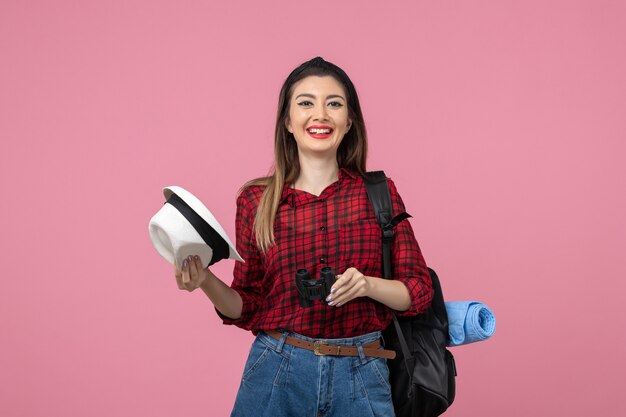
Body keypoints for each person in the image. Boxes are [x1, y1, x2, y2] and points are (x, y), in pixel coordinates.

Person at [174, 57, 433, 416]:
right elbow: (248, 305)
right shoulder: (256, 201)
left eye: (334, 103)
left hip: (362, 370)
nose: (321, 114)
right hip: (277, 369)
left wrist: (368, 286)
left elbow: (418, 290)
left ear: (349, 120)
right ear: (288, 121)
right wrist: (204, 280)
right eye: (306, 102)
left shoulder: (379, 194)